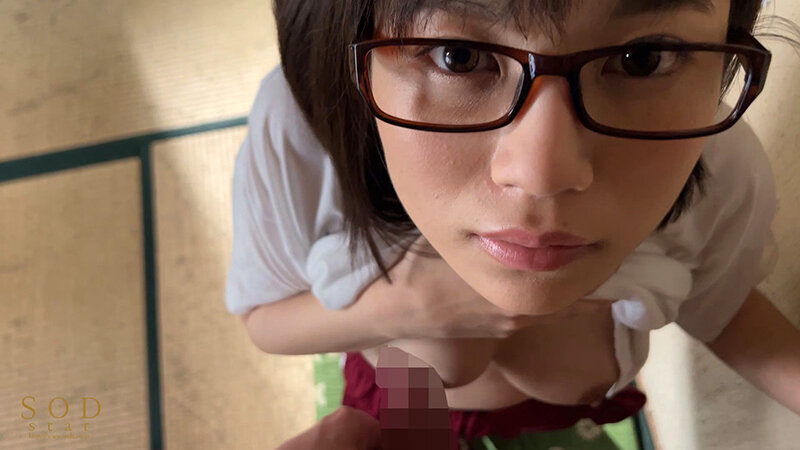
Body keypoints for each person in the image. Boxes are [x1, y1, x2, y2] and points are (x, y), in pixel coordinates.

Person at [227, 0, 800, 444]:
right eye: (457, 55)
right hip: (394, 402)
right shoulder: (309, 132)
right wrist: (408, 307)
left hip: (568, 412)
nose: (543, 175)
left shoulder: (713, 161)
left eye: (642, 58)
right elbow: (265, 319)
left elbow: (725, 309)